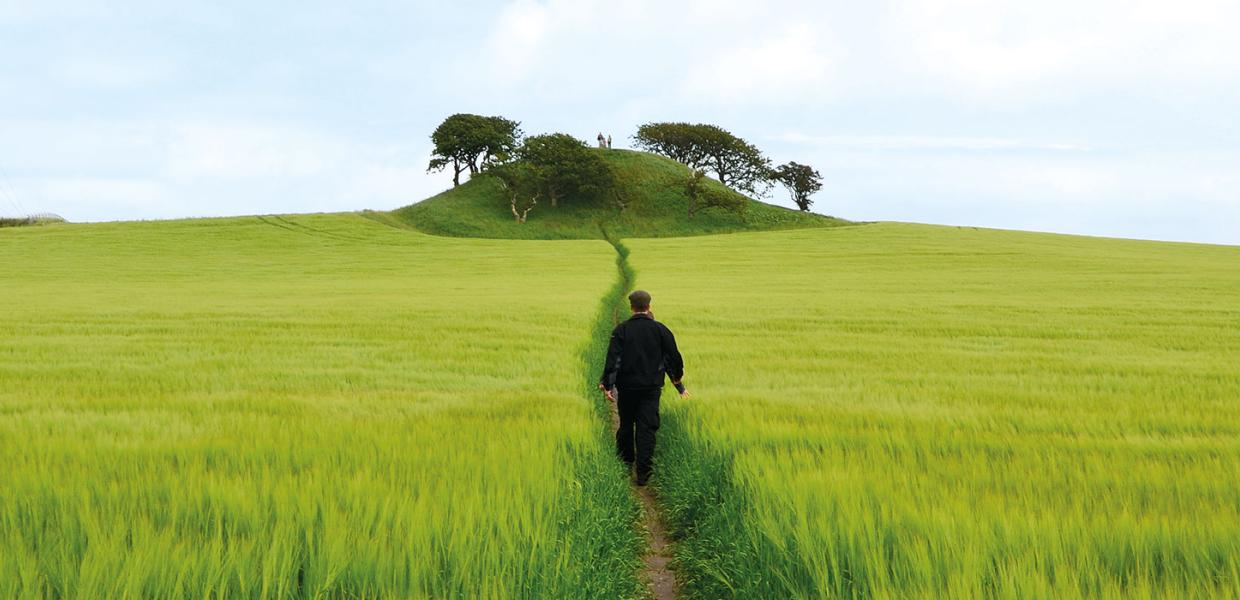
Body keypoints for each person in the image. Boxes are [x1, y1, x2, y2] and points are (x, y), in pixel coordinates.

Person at [599, 290, 687, 486]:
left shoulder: (621, 331)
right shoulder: (661, 330)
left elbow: (614, 360)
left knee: (626, 425)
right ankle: (644, 475)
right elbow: (673, 358)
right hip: (651, 389)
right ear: (649, 306)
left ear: (631, 307)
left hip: (627, 388)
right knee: (646, 429)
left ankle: (625, 465)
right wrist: (678, 381)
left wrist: (608, 385)